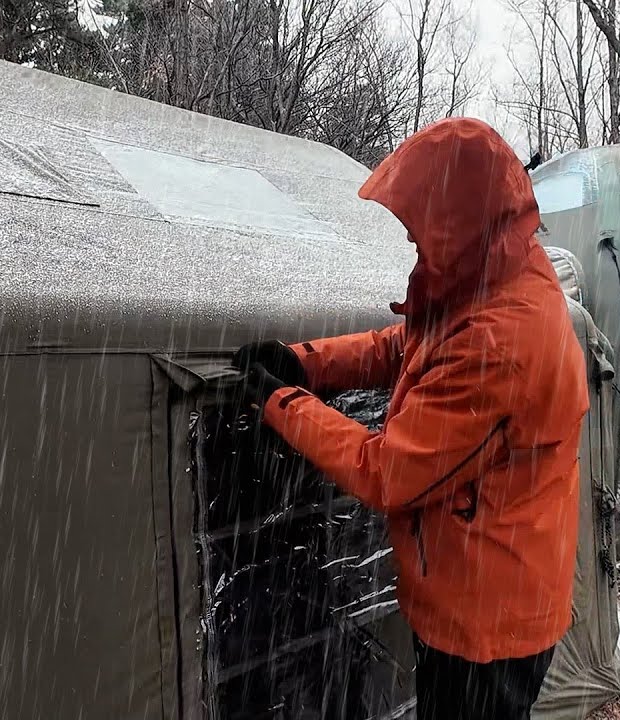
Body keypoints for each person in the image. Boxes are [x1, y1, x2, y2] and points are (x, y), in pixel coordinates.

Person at [233, 117, 587, 720]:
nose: (412, 239)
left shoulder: (501, 342)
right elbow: (411, 346)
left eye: (422, 224)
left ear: (461, 219)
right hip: (477, 585)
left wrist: (281, 404)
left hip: (488, 624)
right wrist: (305, 364)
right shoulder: (496, 268)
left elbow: (390, 473)